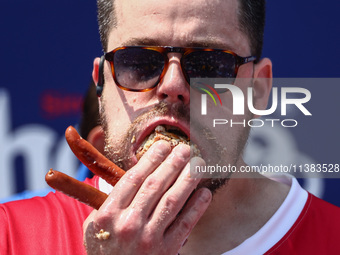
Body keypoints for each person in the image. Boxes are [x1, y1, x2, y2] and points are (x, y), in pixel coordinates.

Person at [1, 0, 340, 254]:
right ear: (101, 85)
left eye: (209, 63)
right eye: (139, 61)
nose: (172, 85)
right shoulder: (10, 236)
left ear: (259, 90)